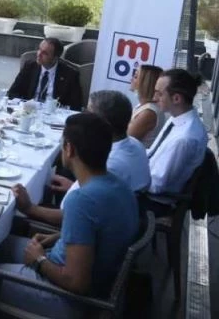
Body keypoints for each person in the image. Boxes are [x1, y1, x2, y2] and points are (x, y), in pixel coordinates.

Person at [0, 113, 139, 319]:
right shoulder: (119, 187)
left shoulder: (81, 200)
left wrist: (38, 260)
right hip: (79, 270)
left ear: (69, 149)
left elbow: (77, 283)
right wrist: (58, 236)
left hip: (66, 297)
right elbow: (97, 231)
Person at [13, 90, 150, 227]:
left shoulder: (111, 164)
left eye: (87, 113)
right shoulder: (135, 144)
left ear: (102, 123)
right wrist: (74, 186)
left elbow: (69, 216)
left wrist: (29, 208)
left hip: (72, 225)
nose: (82, 115)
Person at [142, 68, 208, 216]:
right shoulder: (177, 117)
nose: (154, 97)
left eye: (159, 94)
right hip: (147, 184)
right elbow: (152, 153)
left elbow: (157, 185)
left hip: (153, 202)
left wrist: (130, 175)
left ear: (176, 99)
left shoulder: (184, 138)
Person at [7, 38, 82, 110]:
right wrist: (24, 104)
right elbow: (12, 93)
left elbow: (76, 105)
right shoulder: (29, 67)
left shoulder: (70, 74)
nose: (39, 54)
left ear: (55, 58)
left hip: (53, 113)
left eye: (45, 53)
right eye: (39, 49)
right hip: (29, 110)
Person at [128, 64, 166, 148]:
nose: (131, 79)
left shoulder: (149, 112)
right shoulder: (144, 106)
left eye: (135, 77)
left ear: (145, 83)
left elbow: (124, 140)